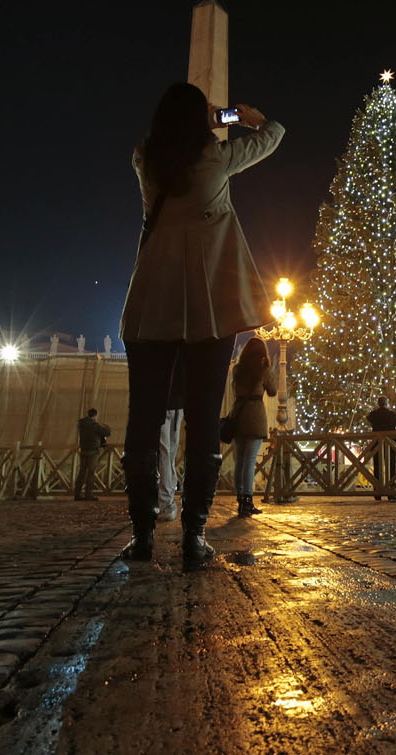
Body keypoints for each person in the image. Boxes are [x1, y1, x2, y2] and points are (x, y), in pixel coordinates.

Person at [117, 83, 284, 569]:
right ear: (200, 121)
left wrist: (198, 119)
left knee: (144, 421)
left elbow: (153, 152)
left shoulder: (145, 159)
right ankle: (194, 536)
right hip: (211, 302)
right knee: (205, 419)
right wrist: (238, 117)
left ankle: (143, 535)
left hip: (153, 300)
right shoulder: (216, 158)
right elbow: (274, 135)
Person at [228, 337, 277, 517]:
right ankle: (247, 500)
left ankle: (241, 498)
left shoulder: (238, 369)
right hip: (255, 415)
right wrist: (268, 367)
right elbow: (272, 390)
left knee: (239, 460)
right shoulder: (262, 369)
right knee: (249, 460)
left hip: (238, 414)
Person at [156, 364, 185, 521]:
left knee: (164, 454)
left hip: (162, 404)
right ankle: (169, 498)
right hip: (178, 406)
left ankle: (165, 503)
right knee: (170, 454)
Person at [367, 396, 396, 502]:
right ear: (386, 403)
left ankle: (377, 492)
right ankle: (391, 492)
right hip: (389, 443)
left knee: (377, 468)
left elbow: (369, 419)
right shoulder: (391, 415)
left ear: (378, 403)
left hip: (377, 443)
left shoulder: (373, 415)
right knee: (390, 468)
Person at [75, 408, 111, 502]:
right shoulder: (95, 425)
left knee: (82, 473)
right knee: (91, 473)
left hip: (83, 450)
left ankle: (77, 494)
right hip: (93, 451)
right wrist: (104, 426)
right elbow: (107, 432)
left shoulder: (81, 424)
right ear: (95, 415)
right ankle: (88, 495)